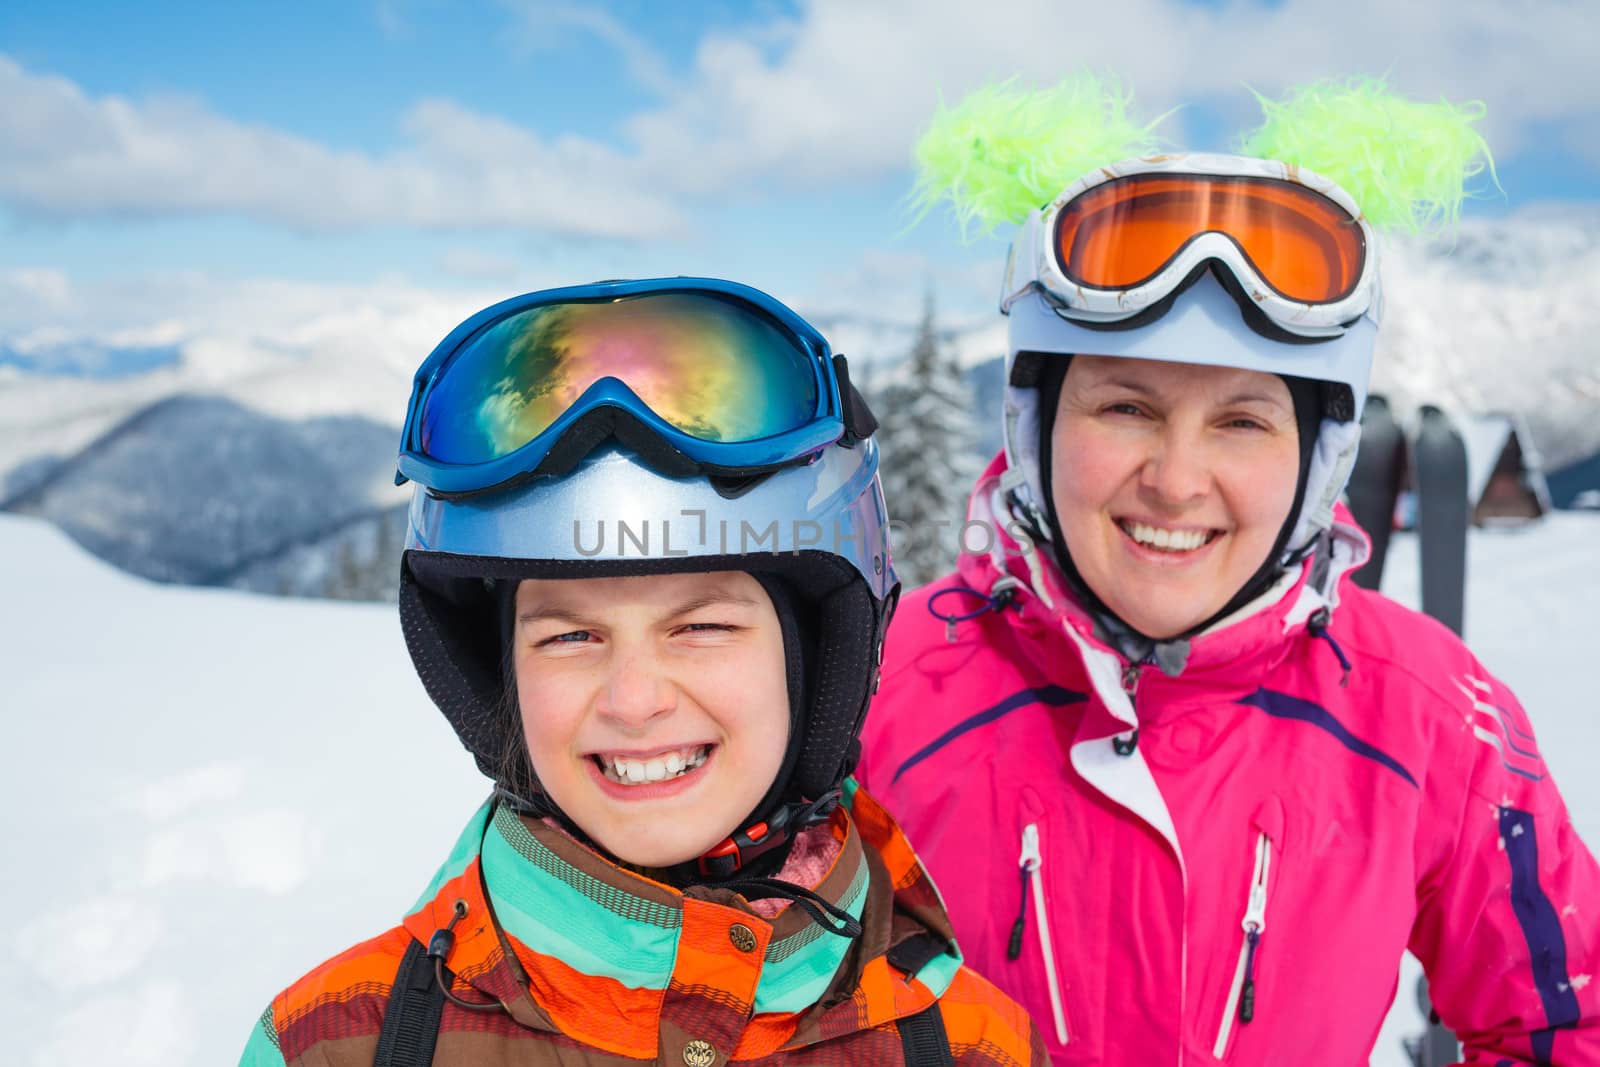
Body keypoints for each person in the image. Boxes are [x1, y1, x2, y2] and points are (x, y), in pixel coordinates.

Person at [858, 78, 1600, 1064]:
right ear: (1034, 424)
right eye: (1124, 406)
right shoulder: (879, 686)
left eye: (1242, 421)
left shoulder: (1426, 710)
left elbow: (1566, 1021)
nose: (1173, 480)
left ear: (1315, 455)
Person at [238, 278, 1043, 1066]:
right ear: (497, 680)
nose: (633, 701)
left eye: (700, 627)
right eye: (570, 636)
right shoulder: (336, 1040)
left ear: (818, 666)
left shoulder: (974, 1046)